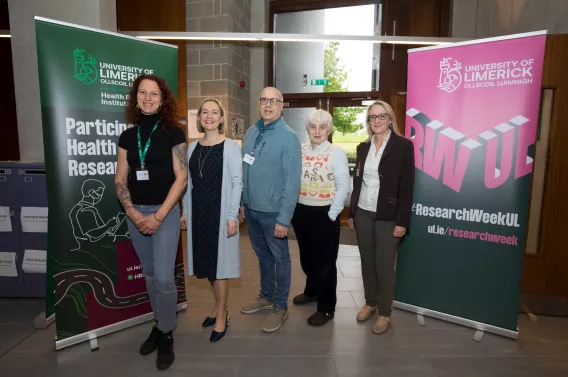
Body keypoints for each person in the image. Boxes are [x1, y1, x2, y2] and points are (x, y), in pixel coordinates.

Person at [114, 74, 187, 370]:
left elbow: (181, 177)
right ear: (136, 98)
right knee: (149, 274)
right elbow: (120, 178)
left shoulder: (174, 132)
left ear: (162, 97)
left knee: (165, 277)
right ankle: (159, 324)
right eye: (142, 93)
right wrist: (133, 213)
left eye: (153, 93)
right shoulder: (127, 137)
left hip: (165, 212)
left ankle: (167, 333)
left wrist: (158, 216)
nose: (147, 97)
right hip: (135, 213)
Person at [348, 100, 415, 334]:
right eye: (372, 117)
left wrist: (402, 222)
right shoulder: (362, 147)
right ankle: (371, 302)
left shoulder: (403, 146)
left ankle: (385, 312)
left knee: (384, 265)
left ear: (390, 119)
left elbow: (407, 187)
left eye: (381, 116)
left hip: (389, 215)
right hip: (364, 213)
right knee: (367, 262)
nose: (376, 121)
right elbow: (358, 181)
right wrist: (353, 211)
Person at [239, 86, 302, 333]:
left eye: (273, 101)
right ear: (258, 103)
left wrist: (284, 219)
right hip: (252, 210)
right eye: (264, 99)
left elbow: (292, 182)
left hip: (274, 213)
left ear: (281, 105)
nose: (268, 104)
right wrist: (243, 203)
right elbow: (246, 169)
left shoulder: (289, 137)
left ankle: (280, 305)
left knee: (281, 259)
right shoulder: (252, 132)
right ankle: (266, 296)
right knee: (262, 256)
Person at [180, 98, 243, 343]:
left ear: (221, 118)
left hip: (220, 215)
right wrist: (185, 211)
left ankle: (222, 314)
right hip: (199, 216)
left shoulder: (230, 147)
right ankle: (217, 307)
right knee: (208, 266)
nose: (209, 116)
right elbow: (189, 184)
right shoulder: (193, 148)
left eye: (214, 112)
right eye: (204, 112)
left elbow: (237, 182)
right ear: (199, 118)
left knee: (221, 269)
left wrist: (231, 216)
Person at [291, 109, 350, 327]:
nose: (317, 131)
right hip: (301, 211)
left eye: (322, 127)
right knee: (307, 258)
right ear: (307, 128)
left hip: (325, 213)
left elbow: (344, 185)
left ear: (329, 130)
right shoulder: (300, 149)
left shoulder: (337, 153)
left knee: (325, 263)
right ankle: (312, 291)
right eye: (313, 126)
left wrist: (333, 214)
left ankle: (326, 308)